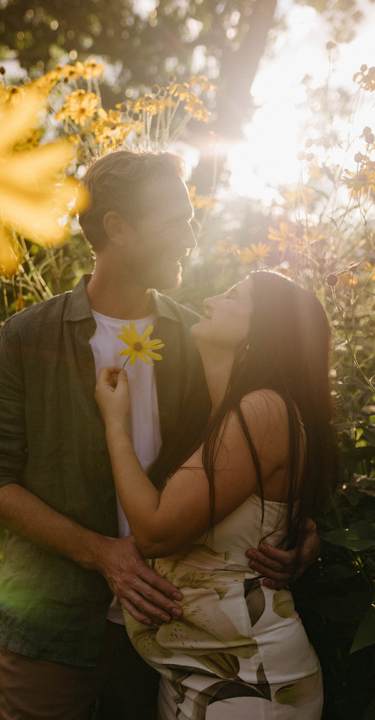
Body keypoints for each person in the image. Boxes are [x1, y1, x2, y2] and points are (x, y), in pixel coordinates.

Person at [0, 151, 319, 720]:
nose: (191, 232)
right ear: (117, 228)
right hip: (55, 627)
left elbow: (239, 458)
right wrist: (102, 554)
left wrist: (293, 521)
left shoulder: (198, 340)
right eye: (177, 219)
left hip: (178, 633)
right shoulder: (28, 335)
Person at [95, 269, 338, 720]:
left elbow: (155, 533)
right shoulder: (227, 411)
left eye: (232, 295)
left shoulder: (262, 409)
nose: (210, 299)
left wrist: (115, 423)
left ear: (262, 329)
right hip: (197, 670)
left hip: (251, 680)